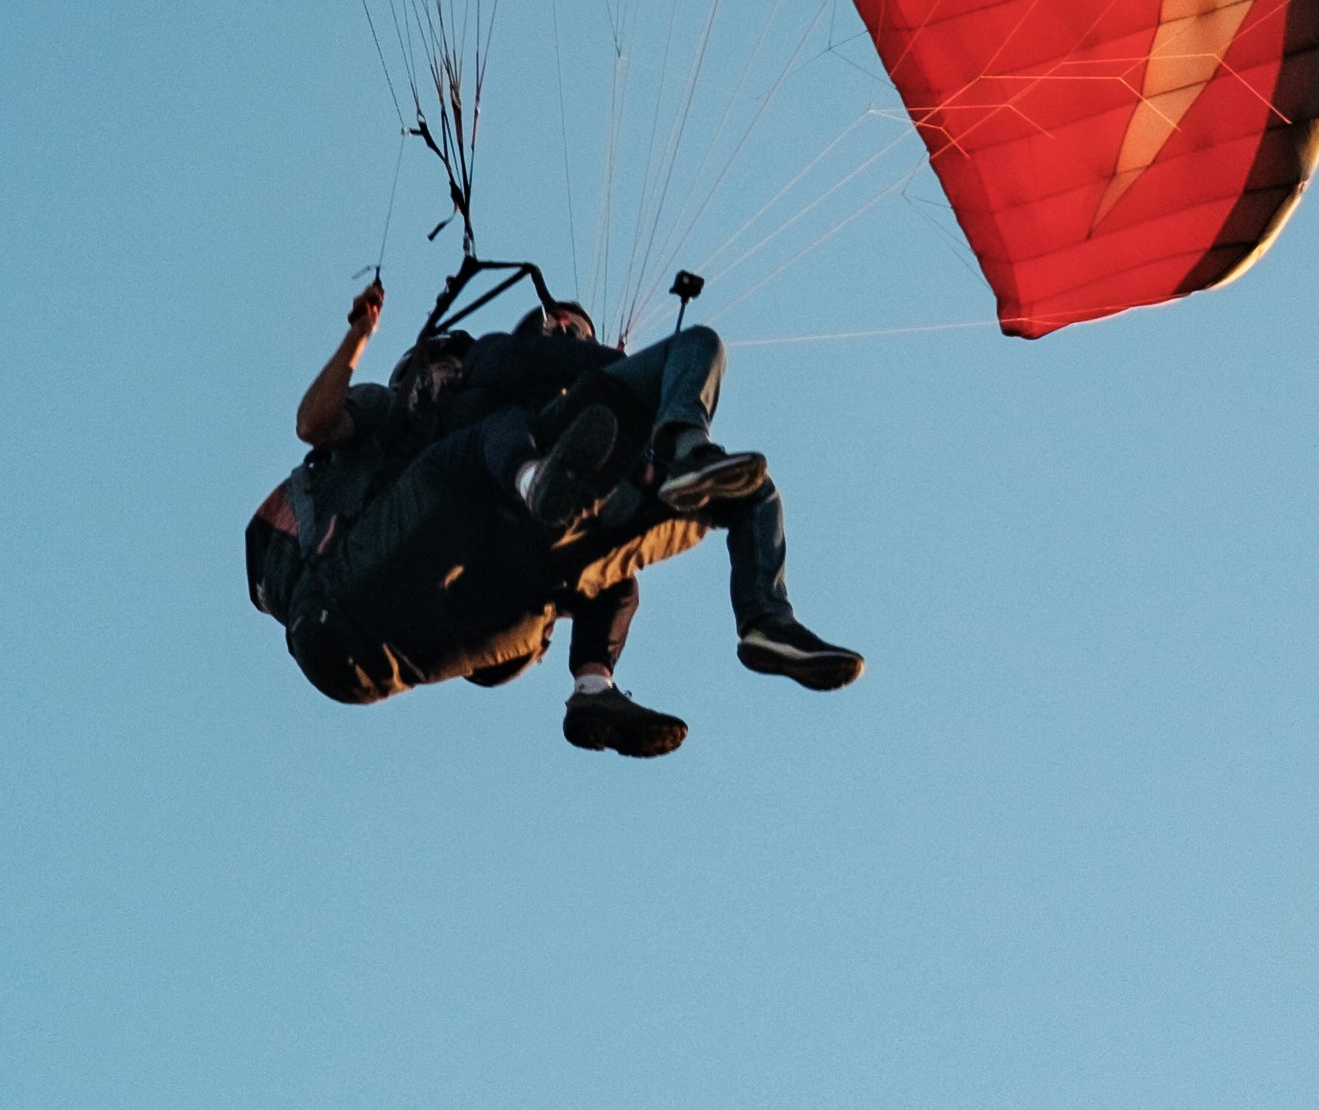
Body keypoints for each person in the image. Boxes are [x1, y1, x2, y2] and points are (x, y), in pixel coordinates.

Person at [251, 273, 861, 756]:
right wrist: (359, 335)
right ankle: (552, 479)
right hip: (362, 583)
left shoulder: (569, 429)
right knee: (506, 436)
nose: (564, 334)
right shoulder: (460, 383)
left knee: (726, 491)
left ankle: (750, 622)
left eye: (573, 329)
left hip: (406, 643)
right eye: (561, 328)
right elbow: (314, 424)